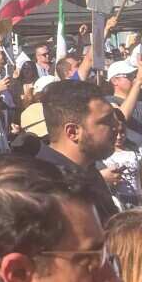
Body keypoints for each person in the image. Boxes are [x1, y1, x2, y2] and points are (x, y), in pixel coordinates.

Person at [39, 79, 122, 224]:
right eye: (106, 121)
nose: (117, 126)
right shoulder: (46, 188)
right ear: (73, 132)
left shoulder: (87, 170)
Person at [101, 108, 142, 210]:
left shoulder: (137, 150)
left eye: (122, 132)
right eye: (114, 132)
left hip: (137, 204)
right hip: (115, 204)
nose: (119, 136)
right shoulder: (101, 153)